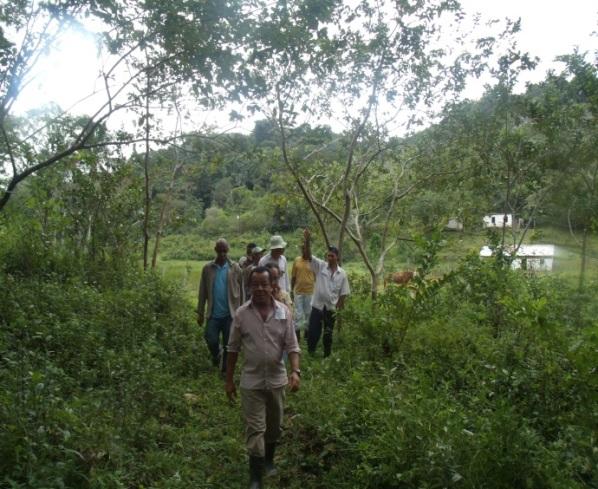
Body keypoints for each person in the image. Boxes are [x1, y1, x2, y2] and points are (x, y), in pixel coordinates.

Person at [226, 266, 301, 489]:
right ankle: (256, 477)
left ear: (272, 286)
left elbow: (293, 346)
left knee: (274, 426)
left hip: (277, 380)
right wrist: (229, 380)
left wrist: (295, 371)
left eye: (264, 284)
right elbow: (232, 349)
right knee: (256, 429)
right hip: (252, 381)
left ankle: (269, 459)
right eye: (255, 284)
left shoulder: (284, 313)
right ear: (249, 287)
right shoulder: (241, 314)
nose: (259, 288)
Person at [197, 238, 244, 373]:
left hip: (230, 314)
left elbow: (241, 291)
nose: (223, 254)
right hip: (213, 314)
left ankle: (225, 371)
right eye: (220, 251)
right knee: (210, 338)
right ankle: (217, 355)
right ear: (216, 250)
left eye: (225, 251)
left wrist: (241, 312)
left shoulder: (235, 267)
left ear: (228, 250)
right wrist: (200, 313)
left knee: (229, 345)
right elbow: (202, 292)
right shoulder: (208, 268)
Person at [302, 228, 350, 357]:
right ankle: (311, 353)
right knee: (313, 331)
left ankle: (326, 355)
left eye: (332, 256)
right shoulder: (321, 266)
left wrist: (339, 308)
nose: (329, 257)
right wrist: (307, 240)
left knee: (328, 333)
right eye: (328, 255)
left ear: (337, 257)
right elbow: (308, 256)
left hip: (330, 308)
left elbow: (344, 293)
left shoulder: (342, 274)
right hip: (317, 306)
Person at [291, 244, 315, 341]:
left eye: (307, 249)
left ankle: (306, 334)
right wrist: (291, 290)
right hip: (298, 292)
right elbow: (293, 277)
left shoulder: (313, 261)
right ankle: (297, 336)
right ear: (301, 250)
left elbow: (317, 277)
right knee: (298, 314)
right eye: (303, 249)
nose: (305, 251)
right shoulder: (297, 260)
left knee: (308, 313)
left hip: (310, 292)